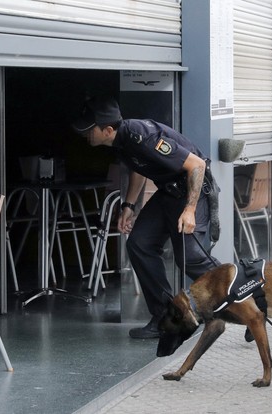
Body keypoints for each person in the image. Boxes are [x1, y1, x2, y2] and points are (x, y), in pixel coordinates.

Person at [72, 96, 220, 339]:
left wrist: (190, 209)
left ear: (108, 130)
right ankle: (167, 318)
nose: (84, 134)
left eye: (89, 130)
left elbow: (196, 165)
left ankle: (247, 297)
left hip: (193, 191)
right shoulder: (120, 141)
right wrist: (129, 205)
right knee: (139, 244)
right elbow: (139, 168)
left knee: (190, 258)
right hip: (168, 193)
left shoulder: (142, 135)